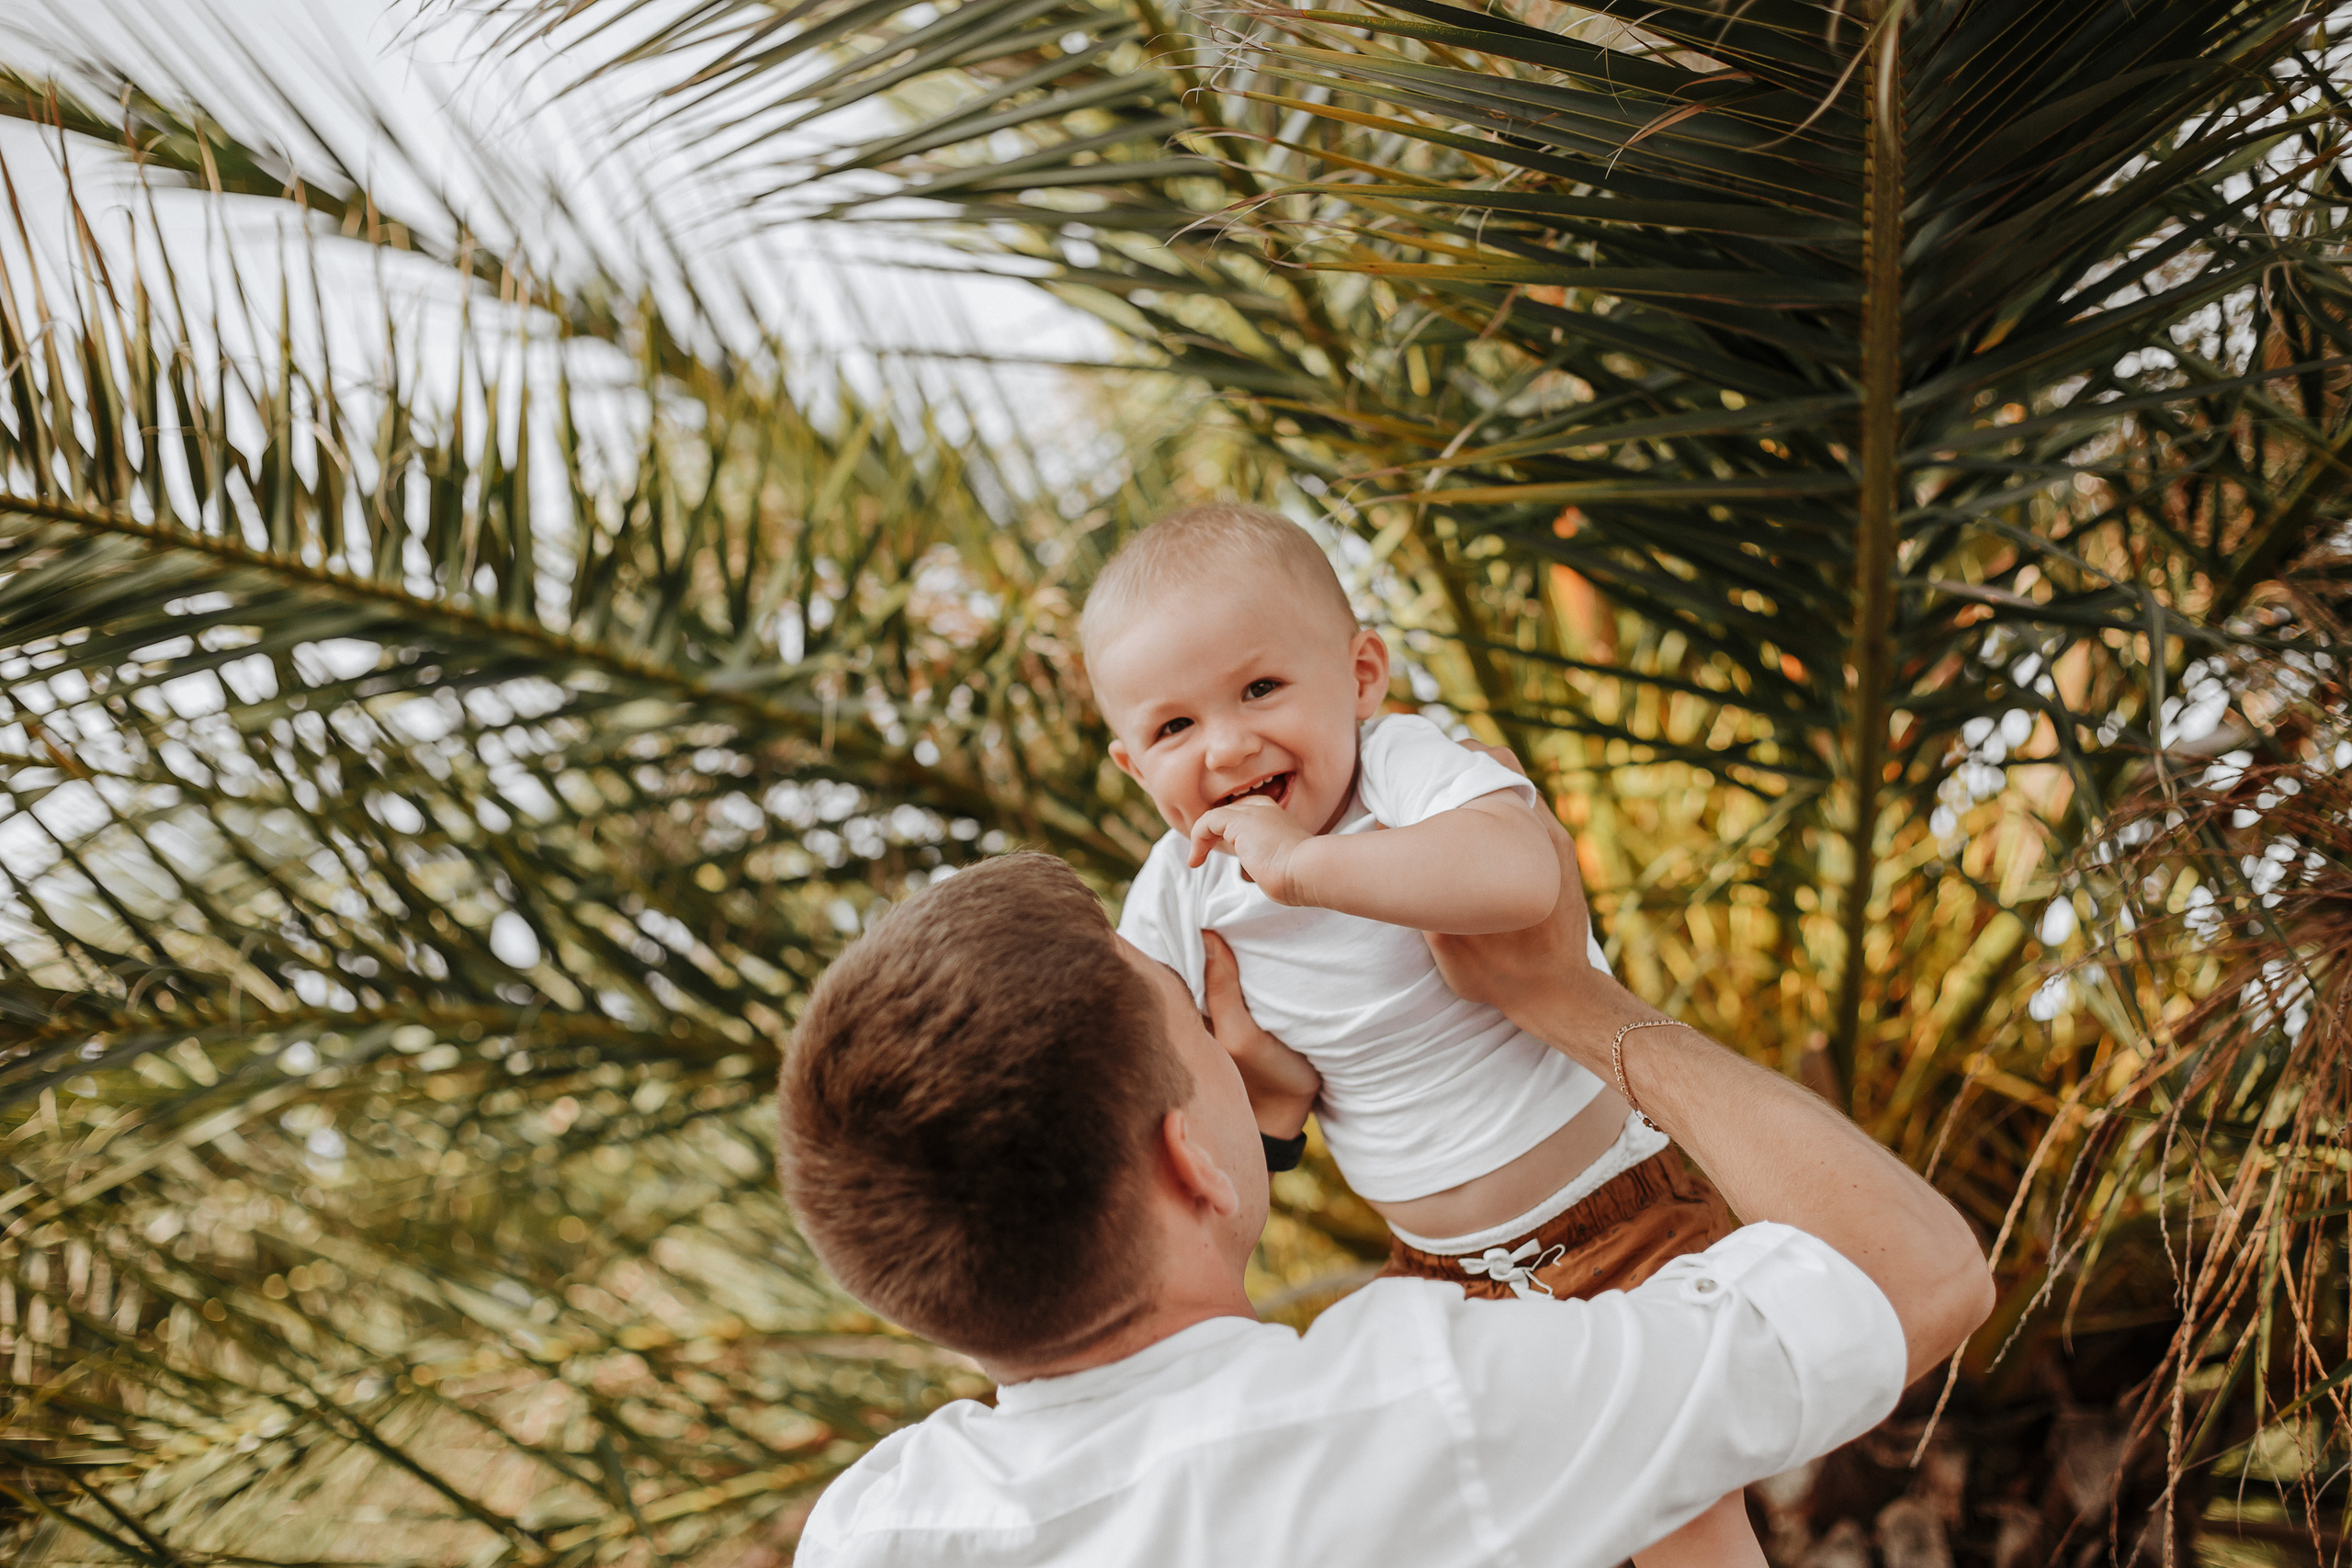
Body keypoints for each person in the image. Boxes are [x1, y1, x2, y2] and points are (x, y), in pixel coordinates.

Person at [780, 820, 1994, 1565]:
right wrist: (1570, 1001)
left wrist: (1255, 1128)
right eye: (1192, 1021)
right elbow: (1916, 1270)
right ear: (1187, 1159)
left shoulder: (875, 1528)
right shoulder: (1422, 1407)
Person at [1082, 502, 1758, 1562]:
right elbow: (1133, 1054)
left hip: (1615, 1219)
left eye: (1259, 689)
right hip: (1440, 1277)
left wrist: (1305, 866)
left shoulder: (1398, 771)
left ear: (1359, 677)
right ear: (1131, 765)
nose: (1227, 745)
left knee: (1677, 1512)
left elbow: (1521, 874)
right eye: (1174, 728)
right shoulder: (1178, 888)